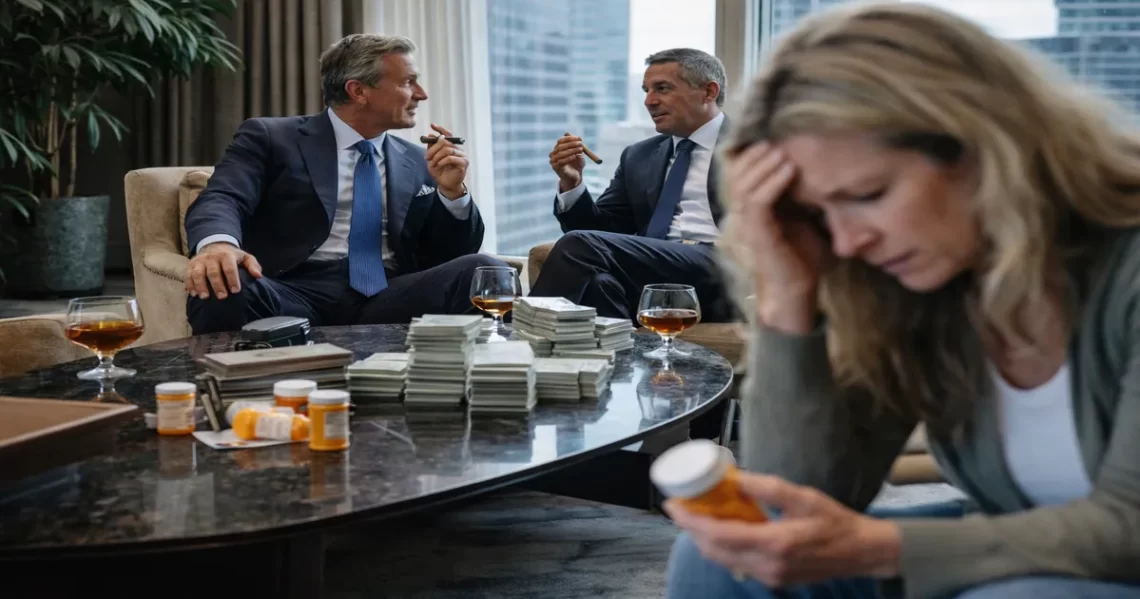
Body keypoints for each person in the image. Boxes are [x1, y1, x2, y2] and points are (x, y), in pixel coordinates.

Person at [664, 3, 1140, 599]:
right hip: (1022, 550)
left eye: (867, 194)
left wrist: (885, 549)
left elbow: (1129, 526)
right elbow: (802, 495)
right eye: (820, 213)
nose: (848, 241)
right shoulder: (923, 284)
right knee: (720, 559)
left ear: (984, 145)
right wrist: (790, 294)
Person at [183, 34, 505, 334]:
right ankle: (227, 390)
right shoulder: (271, 137)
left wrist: (452, 194)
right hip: (292, 291)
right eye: (408, 82)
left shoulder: (421, 160)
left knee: (483, 269)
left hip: (389, 293)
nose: (421, 94)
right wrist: (218, 245)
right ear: (358, 91)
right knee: (223, 278)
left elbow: (452, 253)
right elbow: (224, 196)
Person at [530, 48, 735, 322]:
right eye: (646, 90)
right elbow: (600, 232)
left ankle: (520, 339)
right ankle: (626, 358)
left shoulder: (755, 145)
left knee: (580, 245)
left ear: (708, 92)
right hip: (651, 270)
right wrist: (572, 182)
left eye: (662, 88)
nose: (650, 101)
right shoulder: (638, 155)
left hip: (720, 268)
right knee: (597, 284)